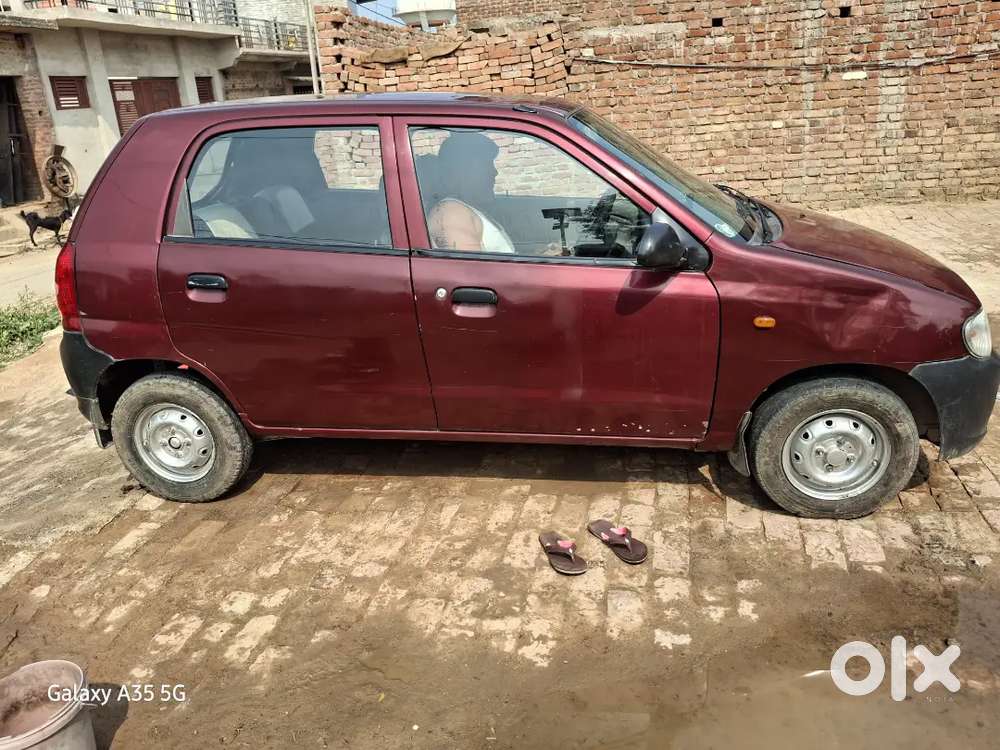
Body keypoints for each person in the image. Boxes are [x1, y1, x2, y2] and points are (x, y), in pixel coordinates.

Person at [425, 132, 517, 254]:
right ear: (462, 169)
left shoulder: (465, 209)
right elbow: (471, 271)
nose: (494, 172)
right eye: (487, 164)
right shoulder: (452, 214)